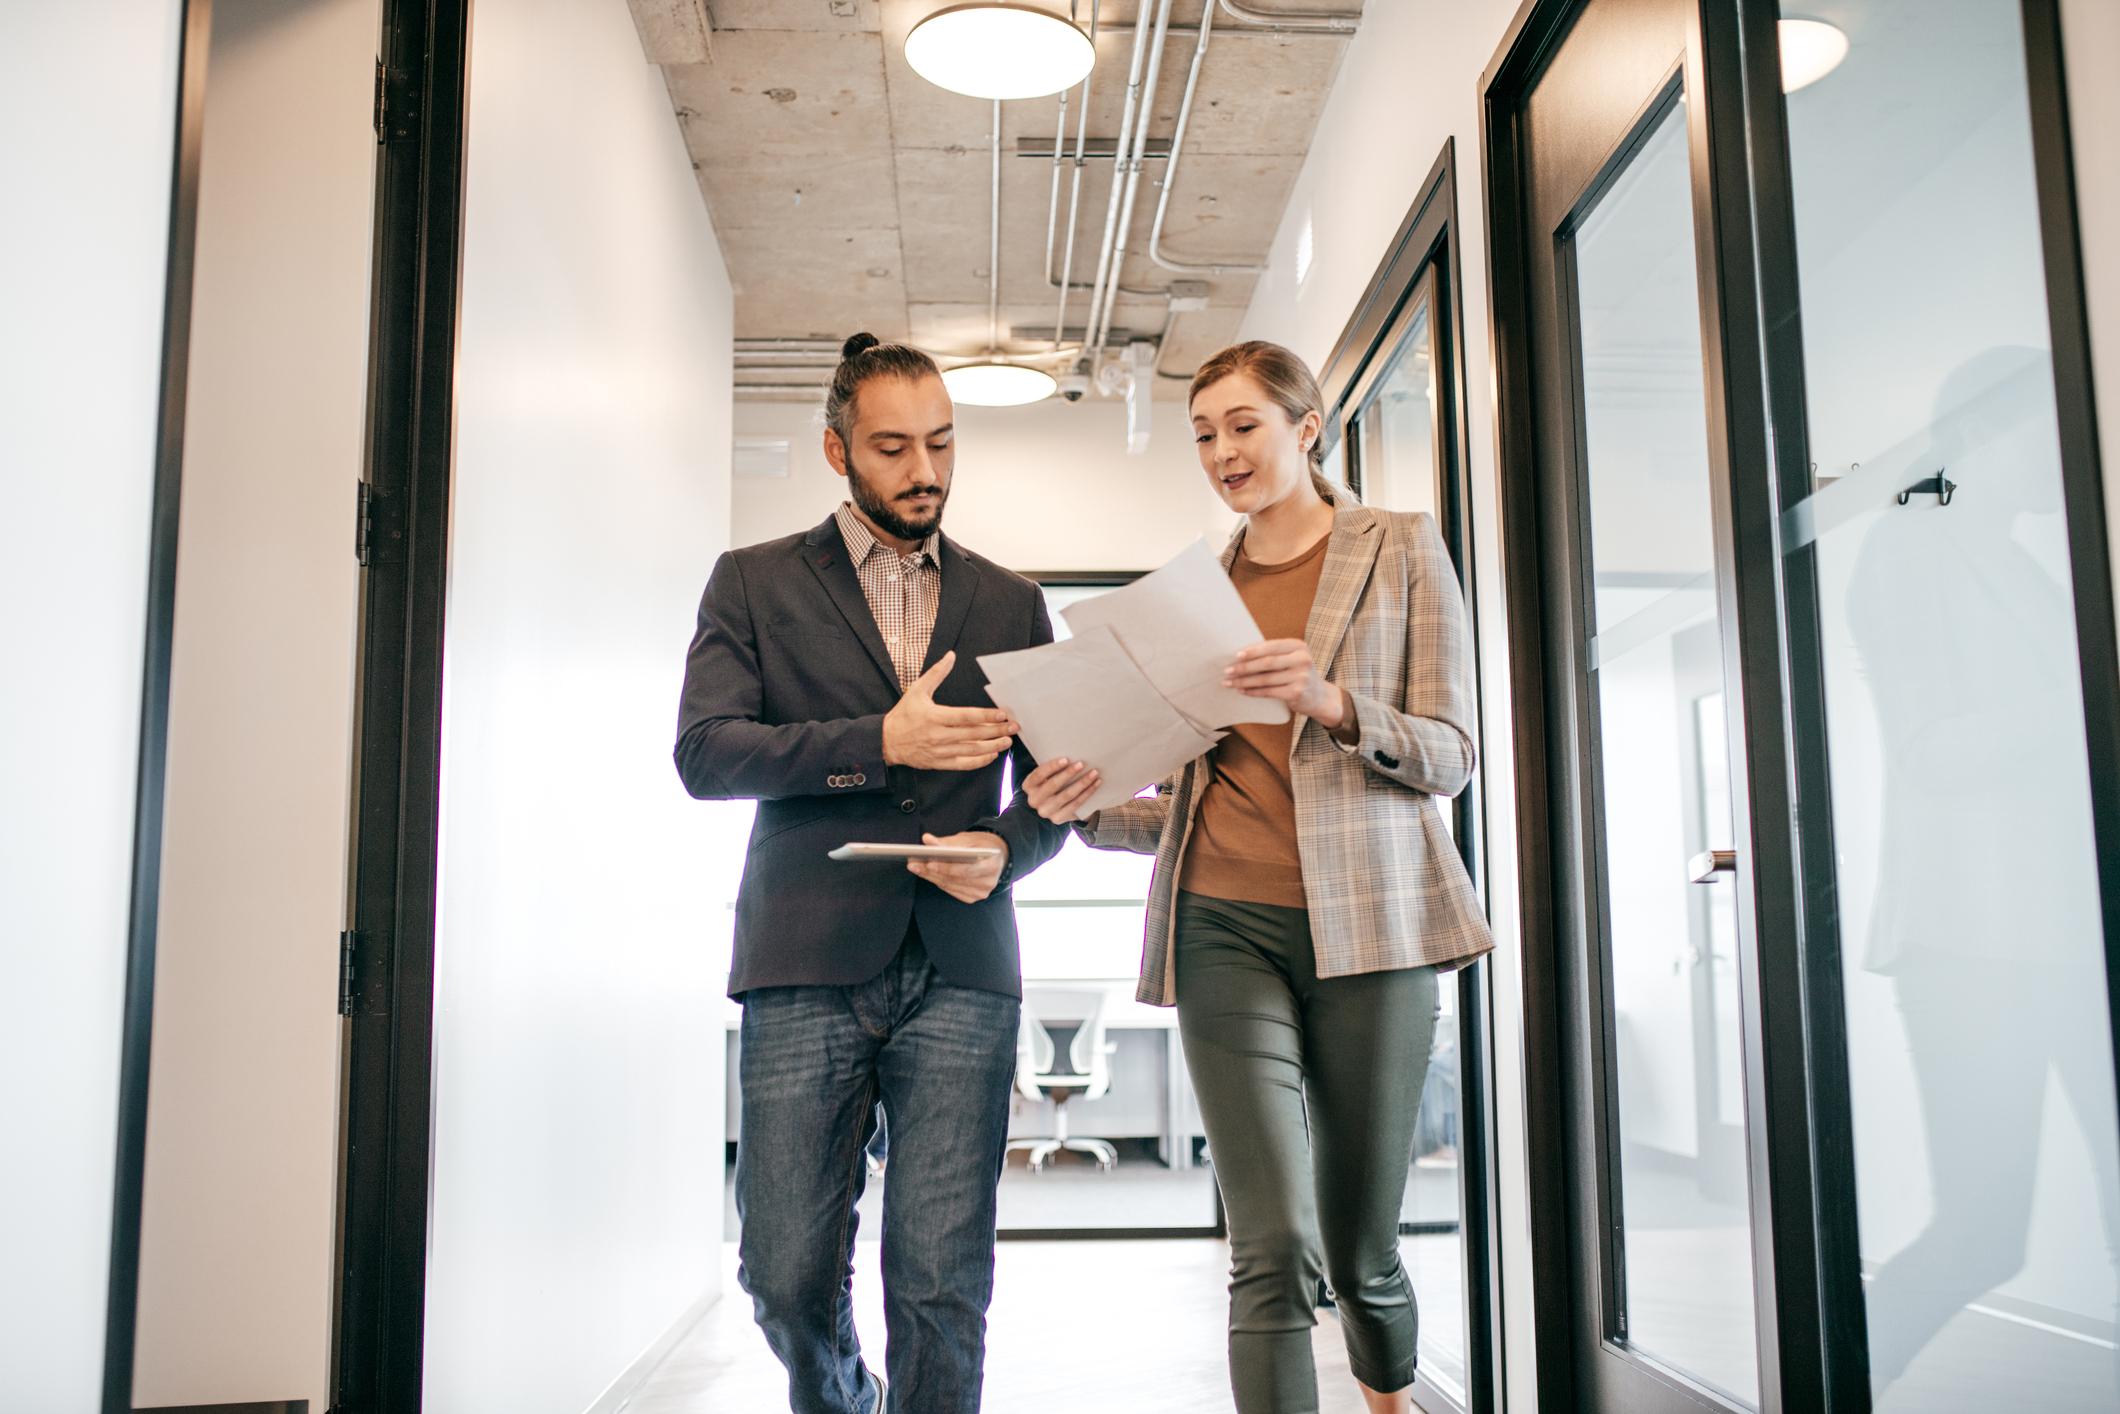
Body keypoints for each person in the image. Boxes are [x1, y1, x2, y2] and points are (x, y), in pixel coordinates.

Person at [1022, 341, 1493, 1414]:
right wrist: (1085, 800)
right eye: (1201, 434)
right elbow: (1179, 800)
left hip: (1373, 933)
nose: (1220, 451)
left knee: (1359, 1248)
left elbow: (1452, 756)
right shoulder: (1201, 590)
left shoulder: (1402, 548)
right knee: (1269, 1242)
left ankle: (1386, 1397)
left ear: (1305, 425)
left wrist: (1332, 704)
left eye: (1241, 424)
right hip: (1220, 924)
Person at [674, 333, 1072, 1414]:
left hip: (963, 965)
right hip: (803, 955)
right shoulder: (751, 582)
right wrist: (877, 742)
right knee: (785, 1273)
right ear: (835, 450)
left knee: (943, 1281)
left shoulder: (1012, 601)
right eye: (892, 447)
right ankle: (847, 1396)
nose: (923, 469)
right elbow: (705, 754)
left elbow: (1051, 792)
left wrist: (1006, 846)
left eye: (940, 443)